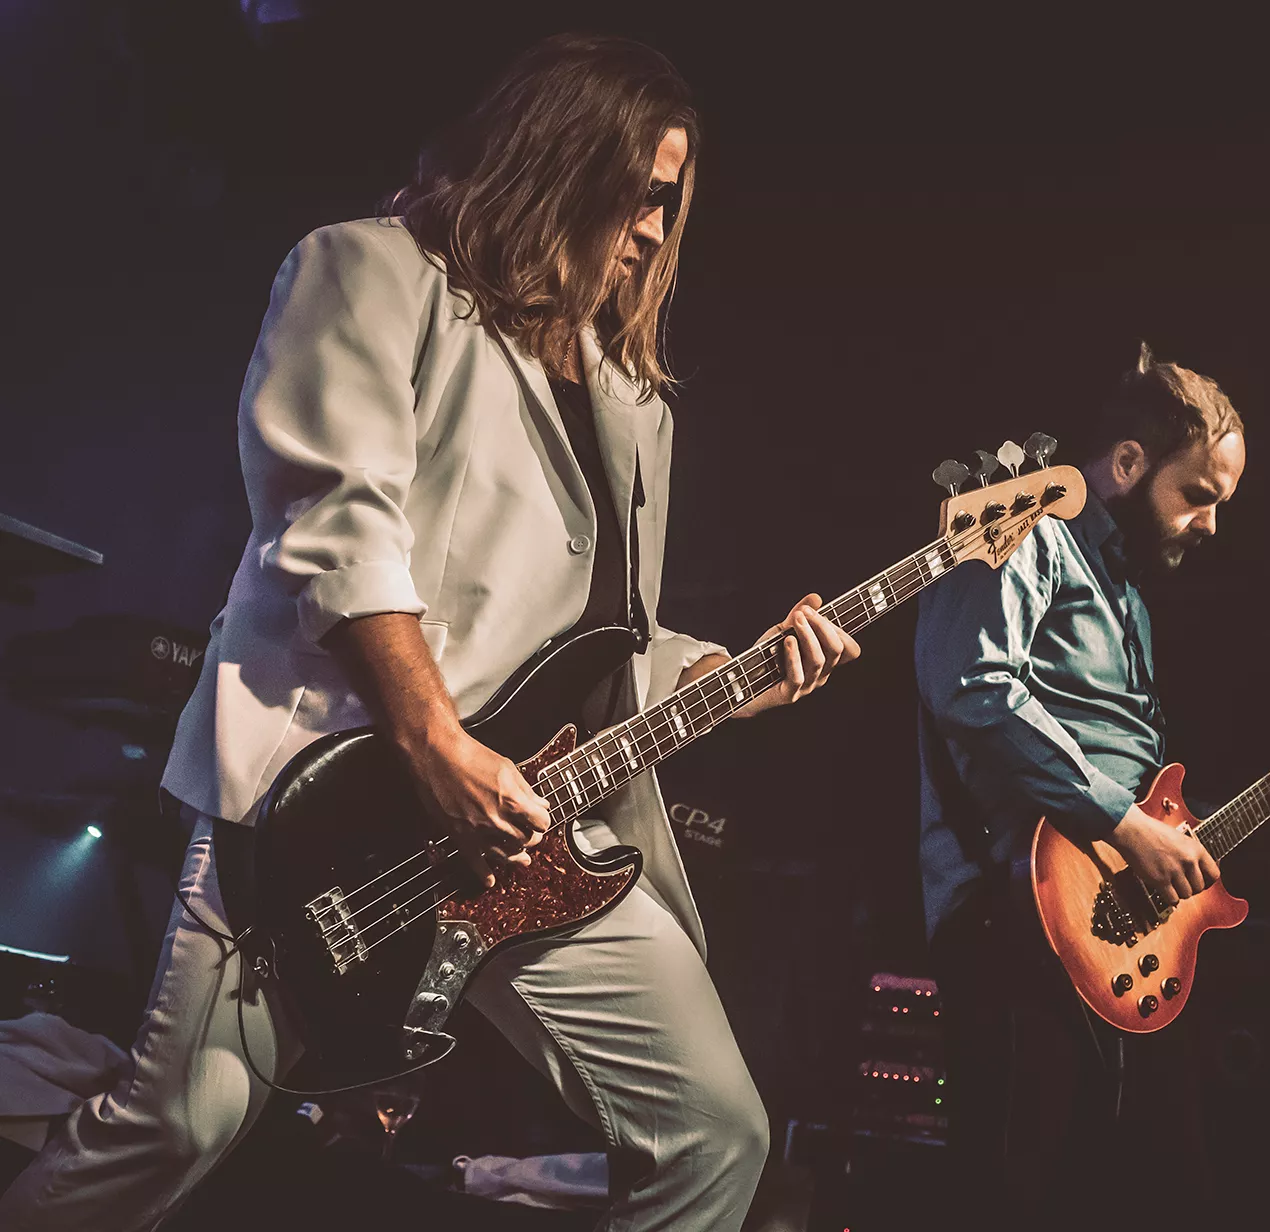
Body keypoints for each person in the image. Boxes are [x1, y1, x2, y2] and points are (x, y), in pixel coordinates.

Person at [0, 34, 859, 1232]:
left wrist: (738, 674)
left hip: (530, 831)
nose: (659, 229)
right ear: (562, 160)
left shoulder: (633, 402)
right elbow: (333, 522)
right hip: (334, 803)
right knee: (181, 1118)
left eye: (674, 202)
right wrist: (432, 742)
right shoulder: (367, 271)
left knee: (717, 1130)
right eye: (643, 192)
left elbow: (606, 637)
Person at [914, 343, 1270, 1222]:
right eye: (1199, 494)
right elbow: (972, 687)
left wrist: (1266, 817)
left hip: (1116, 932)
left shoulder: (1127, 595)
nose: (1210, 525)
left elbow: (1144, 797)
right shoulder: (1026, 526)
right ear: (1131, 462)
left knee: (1156, 1193)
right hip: (1014, 916)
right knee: (1012, 1193)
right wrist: (1126, 825)